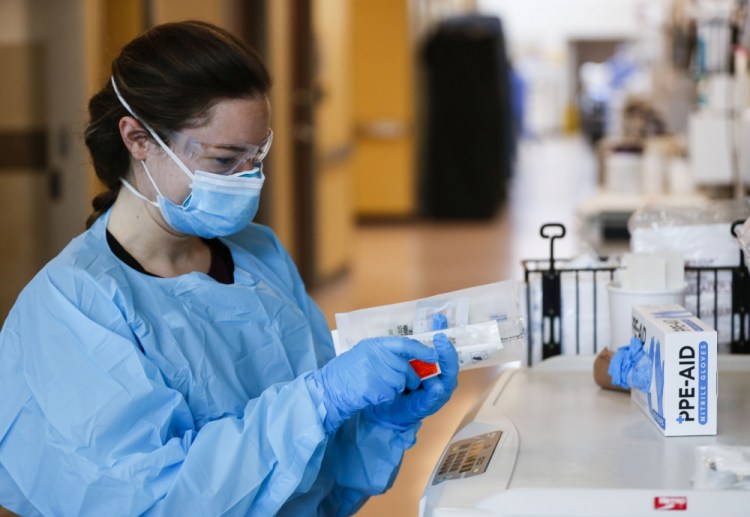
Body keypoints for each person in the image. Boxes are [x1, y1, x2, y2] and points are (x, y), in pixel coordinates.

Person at [0, 21, 459, 516]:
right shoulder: (75, 304)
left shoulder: (256, 253)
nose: (248, 181)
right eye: (224, 160)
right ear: (137, 139)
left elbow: (316, 468)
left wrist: (377, 423)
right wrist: (320, 399)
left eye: (256, 157)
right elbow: (152, 499)